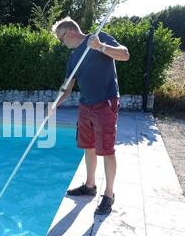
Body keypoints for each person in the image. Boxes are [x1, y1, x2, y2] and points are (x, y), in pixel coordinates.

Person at [52, 16, 130, 215]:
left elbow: (124, 54)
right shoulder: (73, 58)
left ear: (70, 32)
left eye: (61, 39)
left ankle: (109, 195)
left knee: (106, 149)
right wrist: (55, 103)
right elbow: (67, 87)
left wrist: (100, 47)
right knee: (88, 146)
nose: (62, 43)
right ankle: (90, 185)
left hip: (105, 102)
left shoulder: (98, 38)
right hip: (85, 106)